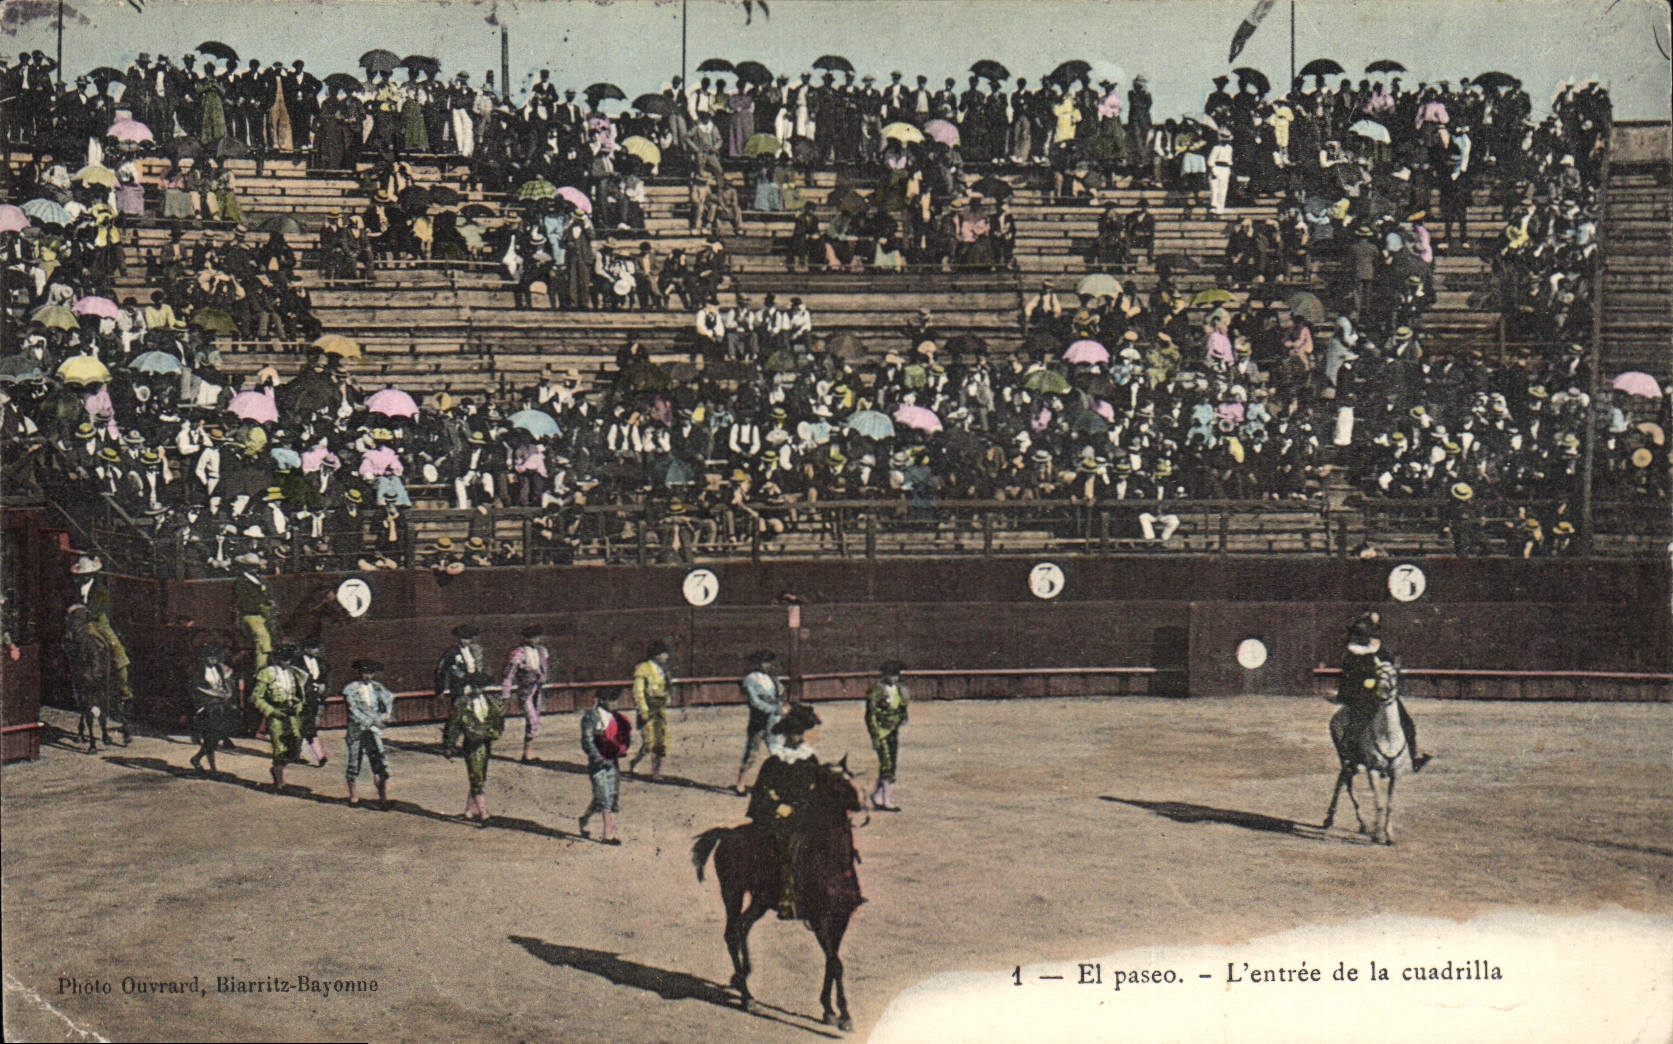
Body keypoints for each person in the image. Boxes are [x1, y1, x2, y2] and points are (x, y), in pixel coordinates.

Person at [746, 703, 824, 919]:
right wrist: (778, 807)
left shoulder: (810, 759)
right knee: (787, 848)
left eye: (799, 733)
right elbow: (762, 791)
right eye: (792, 734)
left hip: (804, 813)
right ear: (785, 735)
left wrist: (806, 808)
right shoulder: (774, 761)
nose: (796, 738)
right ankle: (787, 899)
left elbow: (817, 789)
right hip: (778, 815)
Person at [1334, 613, 1428, 771]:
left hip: (1377, 697)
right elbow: (1350, 677)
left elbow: (1389, 667)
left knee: (1406, 722)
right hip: (1366, 698)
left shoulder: (1377, 648)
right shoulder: (1356, 652)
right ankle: (1352, 760)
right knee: (1356, 725)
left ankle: (1414, 756)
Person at [69, 554, 132, 735]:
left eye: (87, 574)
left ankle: (123, 684)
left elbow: (97, 610)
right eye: (82, 574)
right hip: (80, 621)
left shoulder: (100, 589)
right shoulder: (76, 587)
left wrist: (80, 611)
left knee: (115, 647)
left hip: (97, 621)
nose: (84, 577)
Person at [442, 669, 503, 823]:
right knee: (476, 777)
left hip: (486, 742)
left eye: (480, 686)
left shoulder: (491, 701)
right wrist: (449, 745)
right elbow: (453, 725)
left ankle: (469, 811)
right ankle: (484, 814)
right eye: (474, 685)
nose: (477, 689)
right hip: (472, 744)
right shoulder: (462, 703)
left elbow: (499, 719)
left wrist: (494, 732)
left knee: (480, 776)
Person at [250, 641, 308, 794]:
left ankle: (277, 771)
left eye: (288, 658)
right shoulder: (267, 673)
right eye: (283, 658)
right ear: (276, 658)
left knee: (295, 744)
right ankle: (280, 783)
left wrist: (298, 705)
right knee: (279, 746)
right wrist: (271, 711)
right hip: (277, 712)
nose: (286, 661)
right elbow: (257, 697)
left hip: (292, 714)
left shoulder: (294, 673)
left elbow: (301, 696)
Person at [578, 685, 632, 844]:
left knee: (609, 796)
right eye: (612, 699)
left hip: (612, 761)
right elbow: (587, 741)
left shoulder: (616, 717)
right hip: (598, 763)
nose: (615, 703)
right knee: (604, 797)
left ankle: (584, 819)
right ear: (602, 700)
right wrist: (598, 758)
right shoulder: (591, 716)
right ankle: (608, 835)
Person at [733, 649, 788, 795]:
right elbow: (754, 702)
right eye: (764, 662)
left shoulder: (773, 679)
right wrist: (773, 709)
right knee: (751, 753)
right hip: (758, 721)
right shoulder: (751, 679)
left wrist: (782, 709)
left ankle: (778, 785)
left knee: (777, 752)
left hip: (774, 721)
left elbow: (782, 698)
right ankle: (740, 783)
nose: (767, 665)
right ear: (756, 663)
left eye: (769, 662)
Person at [342, 658, 393, 808]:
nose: (367, 676)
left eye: (370, 673)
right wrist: (372, 721)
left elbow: (389, 700)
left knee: (379, 763)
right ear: (359, 672)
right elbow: (352, 711)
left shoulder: (377, 687)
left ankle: (382, 798)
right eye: (364, 672)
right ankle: (353, 797)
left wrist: (384, 717)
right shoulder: (350, 688)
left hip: (373, 730)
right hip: (357, 729)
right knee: (353, 762)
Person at [864, 660, 910, 810]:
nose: (895, 678)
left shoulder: (899, 690)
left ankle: (877, 796)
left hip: (893, 730)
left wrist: (902, 716)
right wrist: (875, 734)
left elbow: (902, 708)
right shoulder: (876, 690)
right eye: (891, 675)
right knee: (887, 764)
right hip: (881, 731)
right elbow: (870, 715)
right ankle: (887, 801)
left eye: (896, 675)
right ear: (884, 675)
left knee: (891, 764)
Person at [501, 624, 550, 763]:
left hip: (538, 689)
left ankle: (527, 754)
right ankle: (527, 754)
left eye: (536, 636)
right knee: (532, 720)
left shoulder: (542, 651)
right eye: (531, 637)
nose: (534, 639)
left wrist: (543, 677)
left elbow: (546, 667)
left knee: (535, 721)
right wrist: (506, 694)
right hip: (525, 691)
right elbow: (509, 674)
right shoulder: (518, 653)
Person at [188, 642, 238, 774]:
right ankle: (207, 764)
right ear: (204, 658)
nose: (213, 660)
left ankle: (202, 762)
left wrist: (227, 695)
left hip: (220, 706)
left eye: (215, 657)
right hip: (207, 707)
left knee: (212, 739)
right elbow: (197, 689)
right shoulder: (198, 671)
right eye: (210, 657)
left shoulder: (219, 669)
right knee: (211, 737)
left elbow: (225, 683)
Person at [629, 639, 673, 778]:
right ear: (656, 655)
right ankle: (634, 762)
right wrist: (643, 710)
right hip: (648, 709)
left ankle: (655, 772)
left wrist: (667, 699)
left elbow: (668, 688)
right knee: (649, 742)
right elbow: (639, 692)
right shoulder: (643, 669)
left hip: (660, 709)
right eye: (664, 653)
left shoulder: (664, 670)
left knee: (661, 741)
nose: (667, 656)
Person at [434, 623, 486, 732]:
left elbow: (478, 668)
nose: (465, 641)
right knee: (457, 716)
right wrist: (440, 689)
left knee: (475, 715)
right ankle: (449, 744)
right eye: (463, 638)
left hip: (473, 687)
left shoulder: (473, 651)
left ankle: (469, 745)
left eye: (468, 638)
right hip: (459, 688)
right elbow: (441, 670)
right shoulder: (452, 652)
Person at [233, 551, 276, 673]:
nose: (255, 568)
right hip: (250, 616)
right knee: (263, 638)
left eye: (255, 566)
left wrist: (270, 603)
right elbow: (243, 603)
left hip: (265, 614)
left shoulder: (260, 580)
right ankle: (261, 671)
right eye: (251, 566)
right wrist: (261, 606)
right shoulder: (241, 582)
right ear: (245, 567)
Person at [296, 636, 330, 767]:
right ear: (305, 649)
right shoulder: (297, 662)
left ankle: (296, 753)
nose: (315, 650)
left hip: (315, 699)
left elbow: (326, 680)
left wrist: (323, 690)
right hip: (301, 699)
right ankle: (319, 756)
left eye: (316, 648)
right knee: (307, 726)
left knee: (306, 726)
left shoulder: (322, 663)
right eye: (312, 648)